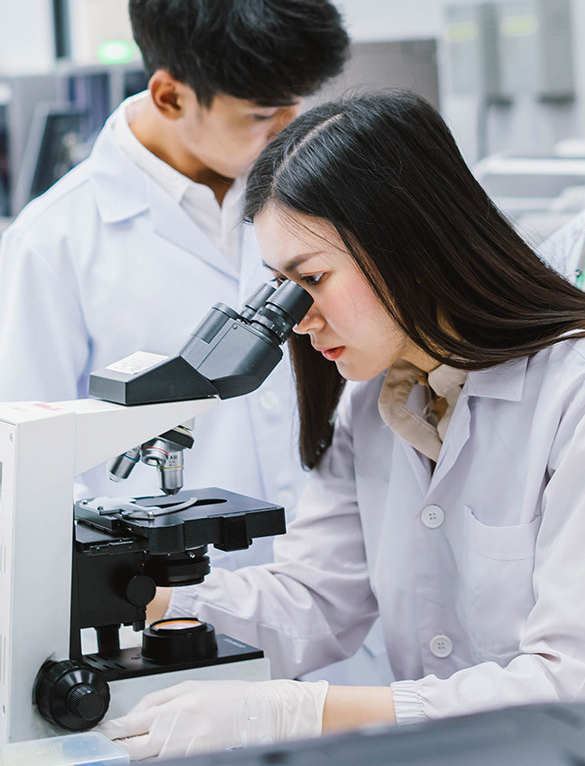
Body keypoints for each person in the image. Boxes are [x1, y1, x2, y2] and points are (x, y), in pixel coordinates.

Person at [103, 90, 585, 759]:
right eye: (280, 285)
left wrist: (300, 712)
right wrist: (127, 599)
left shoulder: (571, 394)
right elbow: (313, 596)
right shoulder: (378, 401)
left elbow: (568, 686)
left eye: (313, 279)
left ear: (409, 247)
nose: (297, 318)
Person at [0, 0, 348, 552]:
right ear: (169, 95)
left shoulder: (314, 194)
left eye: (297, 106)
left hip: (339, 593)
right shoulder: (54, 244)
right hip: (172, 609)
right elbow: (27, 462)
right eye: (263, 115)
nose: (291, 131)